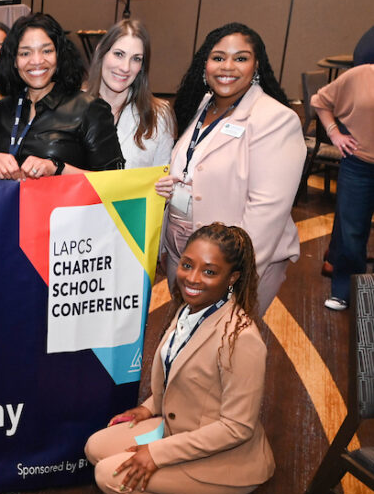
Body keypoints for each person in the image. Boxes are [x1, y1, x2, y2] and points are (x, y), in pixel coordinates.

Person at [85, 223, 274, 494]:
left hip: (222, 454)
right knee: (95, 448)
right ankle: (185, 493)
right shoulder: (190, 310)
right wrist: (147, 407)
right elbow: (178, 377)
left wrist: (155, 454)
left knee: (110, 476)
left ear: (233, 278)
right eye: (187, 265)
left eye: (209, 271)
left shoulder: (242, 339)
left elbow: (236, 428)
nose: (192, 278)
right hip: (179, 428)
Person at [156, 22, 305, 316]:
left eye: (240, 58)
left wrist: (232, 274)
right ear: (205, 64)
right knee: (186, 340)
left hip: (230, 264)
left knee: (222, 350)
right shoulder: (205, 104)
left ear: (256, 65)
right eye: (219, 57)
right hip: (183, 252)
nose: (228, 67)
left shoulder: (275, 119)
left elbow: (266, 212)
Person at [0, 13, 124, 180]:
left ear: (59, 55)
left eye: (46, 51)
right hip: (8, 206)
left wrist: (57, 168)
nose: (36, 61)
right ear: (14, 61)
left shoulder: (90, 109)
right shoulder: (0, 111)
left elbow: (115, 183)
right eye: (25, 53)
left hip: (67, 206)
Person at [313, 42, 374, 310]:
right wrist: (334, 133)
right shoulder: (359, 75)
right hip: (360, 164)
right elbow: (320, 101)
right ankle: (344, 290)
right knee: (352, 231)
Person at [84, 20, 175, 169]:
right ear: (100, 51)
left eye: (136, 59)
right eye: (119, 54)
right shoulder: (70, 106)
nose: (125, 67)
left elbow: (160, 177)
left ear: (142, 66)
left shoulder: (158, 115)